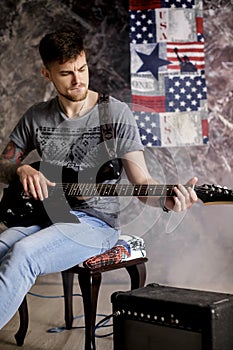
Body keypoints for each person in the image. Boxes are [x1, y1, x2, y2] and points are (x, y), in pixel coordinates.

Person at [0, 30, 198, 329]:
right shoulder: (36, 116)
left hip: (95, 223)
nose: (78, 80)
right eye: (66, 73)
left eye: (82, 69)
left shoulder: (115, 114)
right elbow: (3, 163)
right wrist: (20, 170)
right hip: (46, 216)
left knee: (24, 254)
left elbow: (141, 183)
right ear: (47, 74)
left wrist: (167, 199)